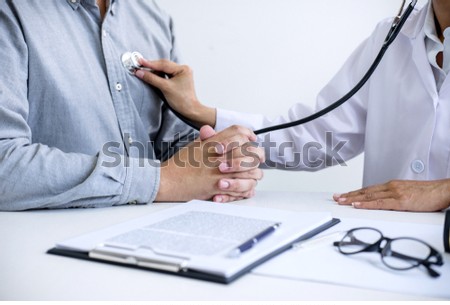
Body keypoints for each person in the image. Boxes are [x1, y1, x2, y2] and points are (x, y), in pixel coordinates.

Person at [136, 0, 450, 212]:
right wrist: (198, 111)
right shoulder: (392, 36)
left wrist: (445, 191)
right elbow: (318, 137)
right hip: (386, 241)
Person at [0, 0, 264, 211]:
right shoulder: (11, 11)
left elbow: (170, 147)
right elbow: (5, 165)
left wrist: (224, 167)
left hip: (153, 234)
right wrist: (163, 181)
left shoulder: (152, 16)